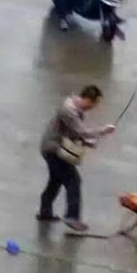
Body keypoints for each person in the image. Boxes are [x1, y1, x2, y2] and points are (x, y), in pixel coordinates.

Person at [38, 85, 116, 231]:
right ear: (88, 99)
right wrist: (103, 130)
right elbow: (81, 131)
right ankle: (72, 217)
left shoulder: (75, 109)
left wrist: (88, 142)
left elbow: (73, 133)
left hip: (53, 147)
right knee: (73, 180)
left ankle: (45, 212)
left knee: (55, 181)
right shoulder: (69, 110)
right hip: (54, 149)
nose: (93, 108)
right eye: (94, 104)